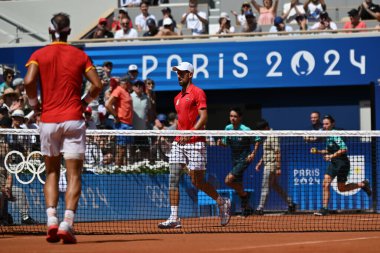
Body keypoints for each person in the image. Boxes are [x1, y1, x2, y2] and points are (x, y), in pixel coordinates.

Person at [24, 12, 103, 244]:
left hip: (48, 120)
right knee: (74, 175)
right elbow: (97, 85)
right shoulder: (80, 56)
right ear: (69, 31)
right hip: (73, 119)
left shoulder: (39, 54)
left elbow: (29, 82)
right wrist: (84, 102)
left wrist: (35, 107)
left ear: (50, 31)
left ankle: (51, 220)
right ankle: (67, 223)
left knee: (51, 172)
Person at [158, 62, 231, 229]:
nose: (179, 76)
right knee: (173, 178)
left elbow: (203, 117)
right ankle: (174, 217)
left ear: (190, 75)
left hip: (196, 142)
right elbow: (181, 122)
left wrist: (189, 133)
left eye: (182, 73)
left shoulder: (198, 93)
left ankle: (221, 202)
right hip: (179, 142)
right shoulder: (176, 98)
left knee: (197, 182)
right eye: (177, 73)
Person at [311, 115, 372, 216]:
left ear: (332, 124)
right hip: (334, 163)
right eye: (324, 124)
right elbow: (329, 150)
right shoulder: (327, 136)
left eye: (327, 124)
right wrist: (318, 151)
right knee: (325, 184)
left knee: (341, 188)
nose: (325, 126)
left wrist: (331, 156)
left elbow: (344, 149)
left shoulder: (335, 135)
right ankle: (324, 209)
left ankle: (362, 184)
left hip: (343, 164)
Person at [217, 107, 259, 216]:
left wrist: (253, 153)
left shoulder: (246, 129)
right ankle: (247, 207)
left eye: (235, 116)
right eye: (231, 116)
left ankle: (245, 196)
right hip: (234, 159)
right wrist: (221, 143)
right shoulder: (228, 128)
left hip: (245, 159)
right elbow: (225, 143)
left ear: (240, 118)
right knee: (237, 183)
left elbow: (257, 140)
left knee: (228, 180)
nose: (233, 118)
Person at [254, 119, 296, 215]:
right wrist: (260, 162)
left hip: (271, 165)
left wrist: (278, 167)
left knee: (265, 186)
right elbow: (267, 152)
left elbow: (277, 152)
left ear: (266, 128)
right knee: (275, 186)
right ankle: (291, 203)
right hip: (267, 164)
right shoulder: (265, 137)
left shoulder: (273, 136)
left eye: (261, 130)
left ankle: (260, 208)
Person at [105, 76, 133, 166]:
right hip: (122, 124)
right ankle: (117, 169)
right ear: (126, 83)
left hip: (128, 124)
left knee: (126, 150)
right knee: (121, 149)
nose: (130, 85)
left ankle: (123, 170)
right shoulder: (118, 90)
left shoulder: (126, 91)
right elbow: (108, 104)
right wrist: (116, 117)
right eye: (129, 83)